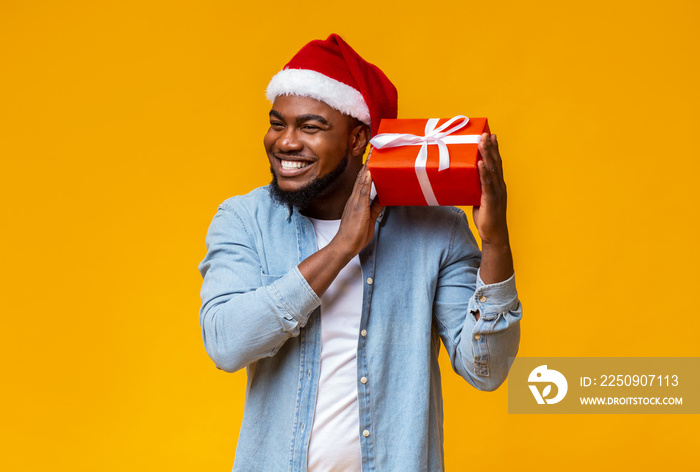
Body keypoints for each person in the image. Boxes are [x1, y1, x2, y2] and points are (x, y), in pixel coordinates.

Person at [198, 34, 522, 472]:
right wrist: (341, 248)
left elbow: (486, 370)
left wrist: (496, 242)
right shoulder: (244, 219)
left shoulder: (434, 228)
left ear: (357, 140)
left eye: (309, 127)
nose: (285, 143)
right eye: (278, 123)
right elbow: (227, 343)